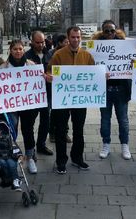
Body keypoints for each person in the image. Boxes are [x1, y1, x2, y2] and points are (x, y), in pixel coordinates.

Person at [47, 26, 95, 174]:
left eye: (78, 37)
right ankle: (61, 161)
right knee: (61, 131)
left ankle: (77, 158)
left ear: (81, 38)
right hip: (62, 99)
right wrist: (48, 76)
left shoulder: (87, 56)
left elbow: (93, 74)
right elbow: (49, 70)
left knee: (78, 130)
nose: (76, 40)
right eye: (73, 37)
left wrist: (101, 77)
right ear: (68, 38)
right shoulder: (58, 55)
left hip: (80, 100)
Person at [92, 20, 132, 160]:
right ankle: (106, 144)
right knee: (105, 120)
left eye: (112, 31)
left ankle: (125, 145)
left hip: (121, 89)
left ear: (116, 31)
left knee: (123, 120)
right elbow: (91, 66)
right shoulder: (96, 47)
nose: (109, 33)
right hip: (105, 90)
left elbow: (133, 63)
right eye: (106, 31)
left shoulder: (125, 46)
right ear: (102, 31)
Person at [0, 40, 39, 174]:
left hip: (27, 104)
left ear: (23, 50)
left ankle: (30, 158)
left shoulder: (31, 65)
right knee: (12, 131)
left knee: (28, 130)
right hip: (11, 106)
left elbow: (37, 83)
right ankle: (13, 157)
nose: (18, 51)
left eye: (20, 49)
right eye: (15, 49)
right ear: (10, 50)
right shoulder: (3, 68)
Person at [23, 31, 53, 156]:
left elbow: (55, 69)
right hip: (33, 96)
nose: (41, 44)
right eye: (38, 42)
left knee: (45, 121)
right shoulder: (26, 56)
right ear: (32, 41)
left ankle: (41, 145)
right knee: (30, 123)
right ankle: (30, 149)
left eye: (43, 42)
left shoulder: (50, 54)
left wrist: (51, 75)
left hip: (47, 94)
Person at [46, 35, 72, 143]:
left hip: (67, 87)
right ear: (60, 43)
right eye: (66, 42)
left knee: (66, 112)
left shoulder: (70, 52)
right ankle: (52, 133)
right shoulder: (52, 53)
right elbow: (48, 68)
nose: (68, 44)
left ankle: (64, 132)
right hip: (55, 87)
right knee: (55, 112)